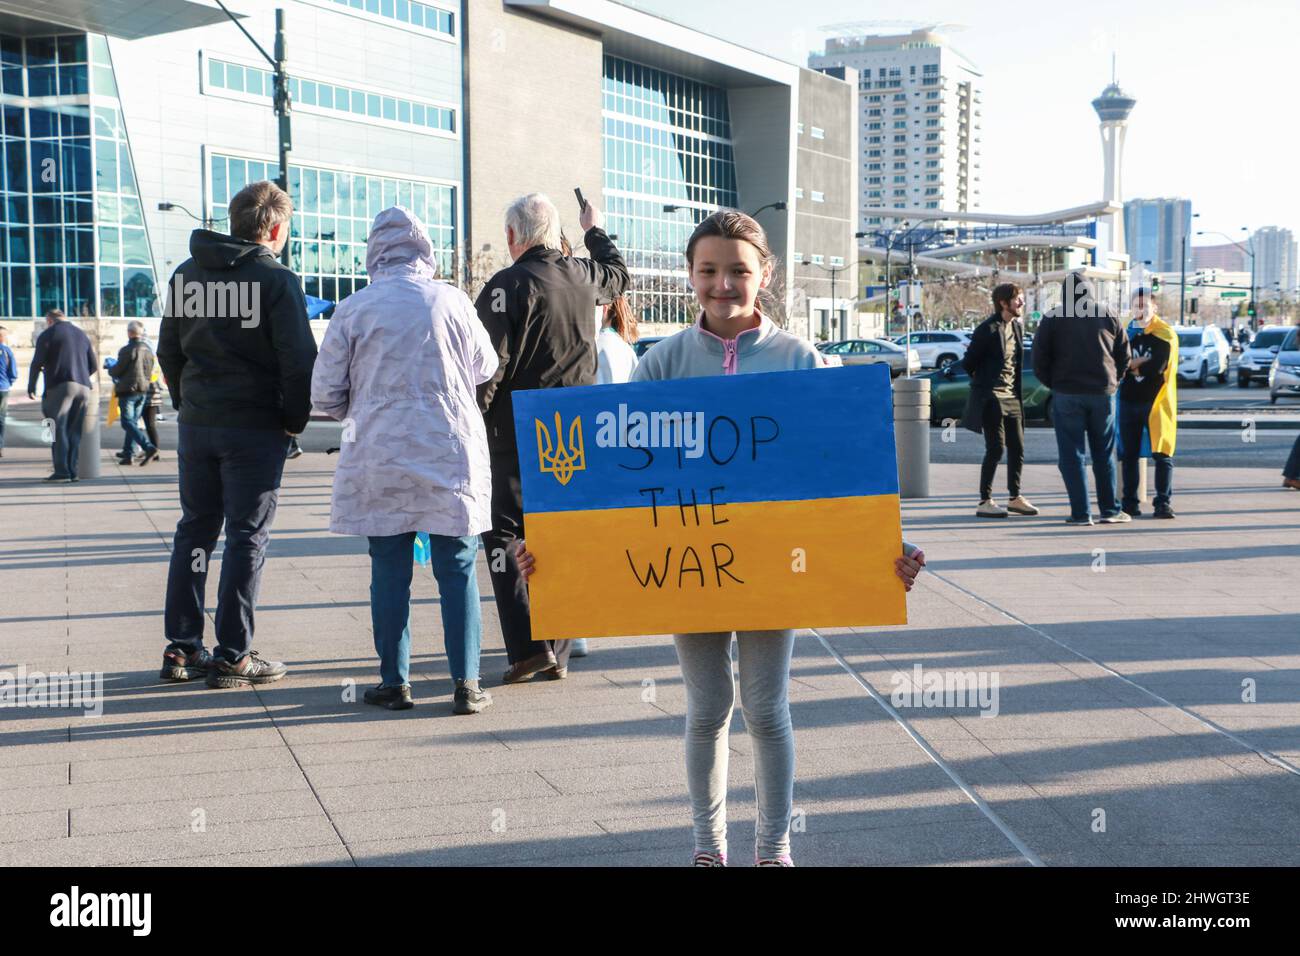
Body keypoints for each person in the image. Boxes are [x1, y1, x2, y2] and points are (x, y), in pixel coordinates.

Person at [516, 211, 926, 867]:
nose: (723, 284)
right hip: (688, 564)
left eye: (738, 269)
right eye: (709, 270)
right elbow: (610, 472)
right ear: (691, 277)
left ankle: (773, 850)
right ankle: (709, 851)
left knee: (766, 709)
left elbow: (849, 468)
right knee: (706, 708)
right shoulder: (664, 363)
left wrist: (887, 552)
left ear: (765, 275)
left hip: (774, 569)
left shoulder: (801, 362)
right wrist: (551, 550)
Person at [312, 207, 499, 715]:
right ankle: (467, 683)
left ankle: (395, 682)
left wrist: (367, 401)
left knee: (389, 566)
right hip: (449, 449)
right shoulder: (454, 301)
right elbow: (486, 365)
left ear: (375, 252)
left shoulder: (353, 309)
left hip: (381, 452)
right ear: (426, 251)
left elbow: (326, 393)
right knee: (457, 566)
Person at [156, 181, 318, 688]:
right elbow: (299, 362)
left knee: (195, 530)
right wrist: (293, 421)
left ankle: (182, 648)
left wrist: (190, 401)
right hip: (253, 428)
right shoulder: (276, 279)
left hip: (200, 423)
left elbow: (169, 350)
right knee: (247, 536)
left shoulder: (187, 273)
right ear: (274, 228)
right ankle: (232, 654)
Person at [476, 193, 629, 684]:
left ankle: (527, 647)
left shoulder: (505, 285)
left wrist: (475, 421)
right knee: (560, 530)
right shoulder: (583, 276)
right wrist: (594, 229)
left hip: (515, 428)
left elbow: (488, 366)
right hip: (572, 429)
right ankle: (557, 650)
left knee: (503, 530)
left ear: (512, 237)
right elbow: (619, 275)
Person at [567, 294, 643, 660]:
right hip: (619, 454)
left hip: (593, 454)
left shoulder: (596, 346)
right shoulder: (624, 348)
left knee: (580, 543)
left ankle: (577, 629)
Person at [1032, 273, 1131, 525]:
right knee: (1104, 453)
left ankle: (1081, 513)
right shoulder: (1107, 313)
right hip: (1102, 393)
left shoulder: (1053, 317)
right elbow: (1124, 354)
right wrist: (1114, 381)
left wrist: (1054, 384)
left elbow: (1039, 359)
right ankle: (1109, 511)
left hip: (1067, 393)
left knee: (1071, 455)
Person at [960, 283, 1038, 518]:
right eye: (1017, 299)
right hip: (992, 398)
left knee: (1018, 447)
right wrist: (986, 384)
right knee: (995, 448)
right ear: (1004, 303)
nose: (1022, 303)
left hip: (1013, 397)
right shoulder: (988, 329)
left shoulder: (1017, 327)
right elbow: (968, 363)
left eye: (1022, 299)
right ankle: (985, 500)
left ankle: (1015, 498)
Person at [1118, 288, 1178, 518]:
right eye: (1136, 305)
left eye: (1145, 305)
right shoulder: (1126, 333)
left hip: (1157, 402)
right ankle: (1129, 503)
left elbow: (1158, 367)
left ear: (1155, 307)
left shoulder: (1165, 334)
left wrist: (1131, 365)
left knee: (1162, 454)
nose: (1140, 310)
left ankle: (1163, 502)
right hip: (1128, 401)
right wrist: (1138, 363)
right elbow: (1116, 363)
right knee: (1129, 455)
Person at [27, 309, 96, 482]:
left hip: (60, 386)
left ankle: (61, 471)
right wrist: (81, 376)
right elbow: (93, 365)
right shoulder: (81, 334)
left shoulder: (48, 334)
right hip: (84, 387)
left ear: (49, 320)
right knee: (74, 430)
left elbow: (37, 363)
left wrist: (31, 387)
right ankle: (73, 471)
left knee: (56, 429)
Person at [109, 321, 160, 467]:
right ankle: (128, 454)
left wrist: (110, 369)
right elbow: (150, 372)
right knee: (132, 423)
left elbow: (118, 370)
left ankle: (148, 447)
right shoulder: (148, 350)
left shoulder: (127, 350)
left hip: (128, 390)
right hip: (143, 390)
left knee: (127, 422)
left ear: (129, 333)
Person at [0, 325, 17, 458]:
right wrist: (9, 382)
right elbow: (13, 372)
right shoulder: (7, 351)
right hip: (3, 388)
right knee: (1, 418)